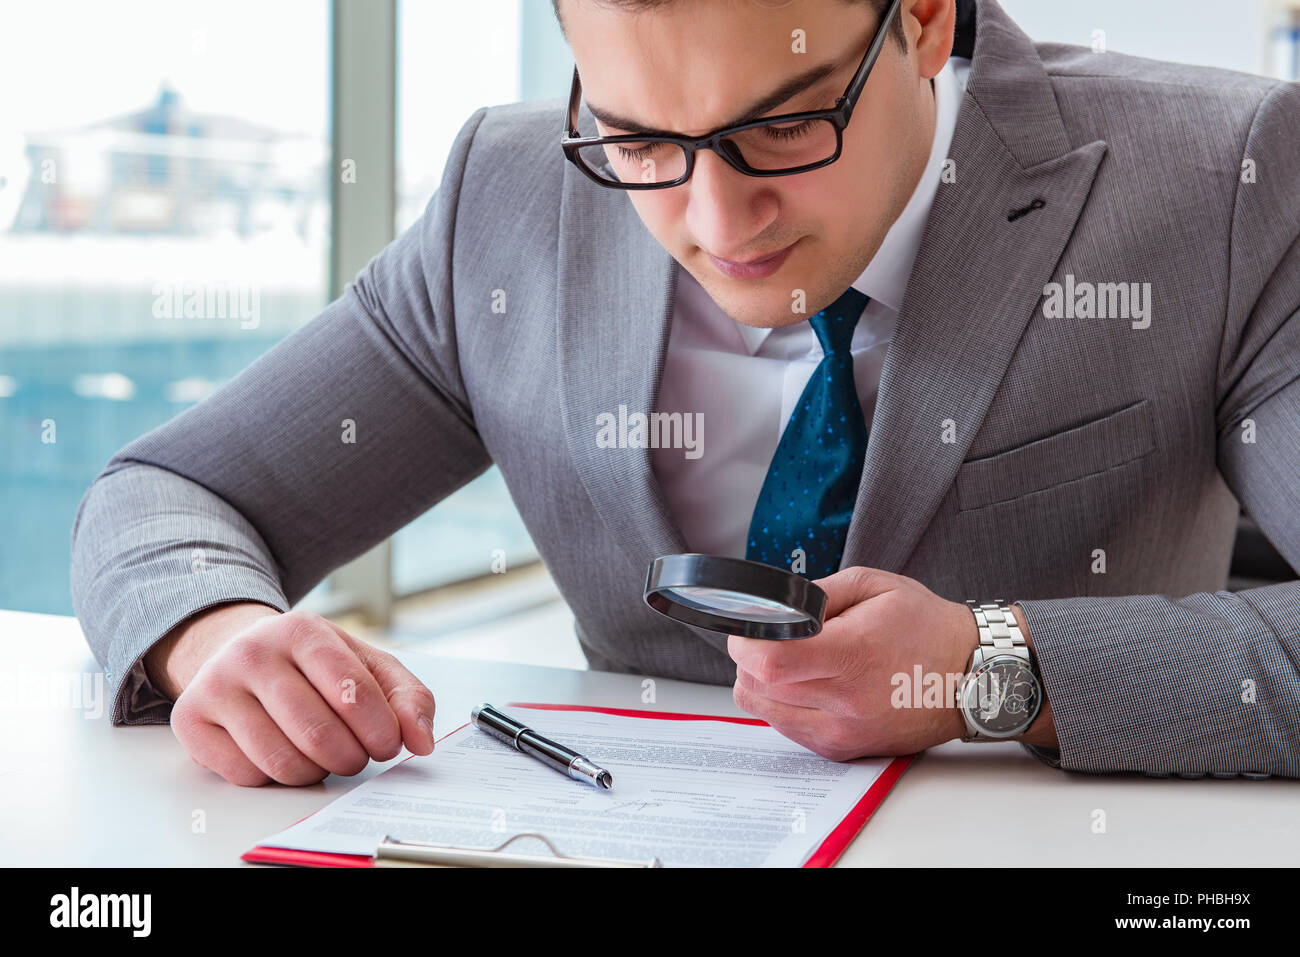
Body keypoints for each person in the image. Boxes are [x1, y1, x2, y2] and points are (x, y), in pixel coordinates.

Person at [71, 0, 1300, 786]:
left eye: (783, 127)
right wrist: (217, 638)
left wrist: (993, 668)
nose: (716, 224)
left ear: (923, 19)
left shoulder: (1222, 181)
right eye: (641, 140)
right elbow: (171, 492)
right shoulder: (508, 197)